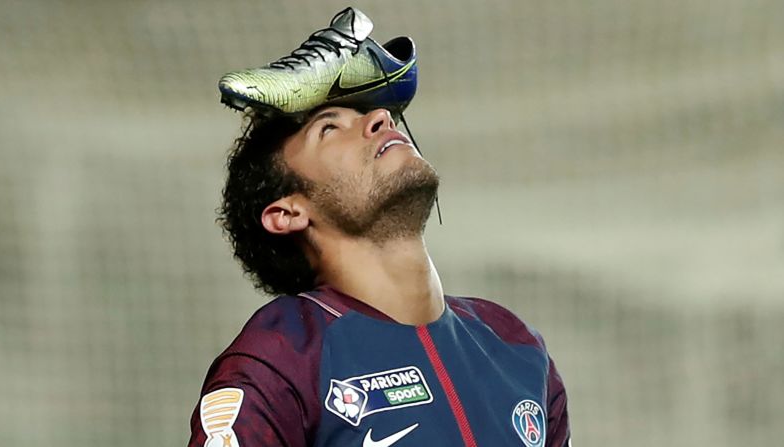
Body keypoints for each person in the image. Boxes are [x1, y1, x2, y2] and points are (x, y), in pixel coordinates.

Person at [188, 8, 570, 447]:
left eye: (374, 115)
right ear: (287, 213)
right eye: (330, 129)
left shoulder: (517, 347)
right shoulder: (281, 356)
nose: (381, 119)